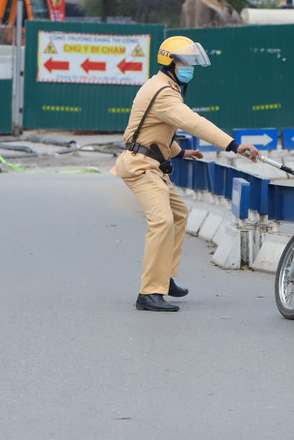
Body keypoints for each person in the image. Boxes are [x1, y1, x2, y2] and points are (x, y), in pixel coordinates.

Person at [112, 36, 261, 312]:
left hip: (152, 165)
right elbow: (193, 122)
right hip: (140, 168)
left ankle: (163, 278)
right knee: (162, 221)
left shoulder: (164, 86)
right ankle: (149, 293)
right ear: (170, 63)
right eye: (185, 61)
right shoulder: (164, 93)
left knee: (178, 213)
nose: (189, 67)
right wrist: (234, 145)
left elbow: (153, 131)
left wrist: (180, 152)